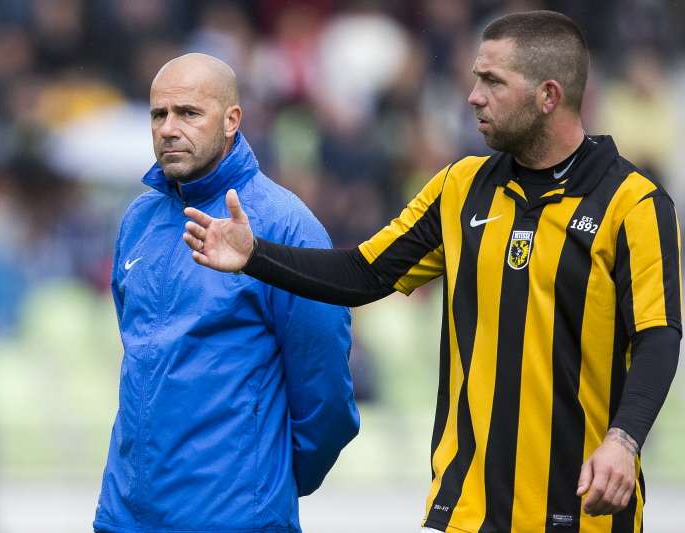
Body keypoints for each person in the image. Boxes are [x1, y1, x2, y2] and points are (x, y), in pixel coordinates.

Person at [182, 11, 680, 533]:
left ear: (548, 96)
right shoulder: (460, 188)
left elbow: (658, 336)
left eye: (492, 81)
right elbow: (362, 274)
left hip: (585, 512)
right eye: (474, 79)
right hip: (465, 511)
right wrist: (255, 255)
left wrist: (624, 441)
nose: (473, 96)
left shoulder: (634, 203)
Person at [93, 53, 359, 533]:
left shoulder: (285, 226)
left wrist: (262, 483)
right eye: (159, 114)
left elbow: (328, 400)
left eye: (189, 113)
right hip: (126, 516)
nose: (169, 128)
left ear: (232, 119)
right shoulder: (137, 220)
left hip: (235, 518)